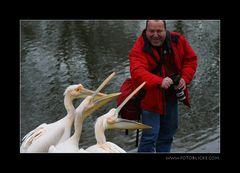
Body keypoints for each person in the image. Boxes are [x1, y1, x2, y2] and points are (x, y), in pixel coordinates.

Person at [129, 20, 198, 152]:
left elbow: (191, 60)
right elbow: (137, 72)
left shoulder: (178, 40)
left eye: (159, 31)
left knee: (167, 135)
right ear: (146, 30)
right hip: (150, 99)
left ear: (165, 30)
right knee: (150, 137)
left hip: (171, 97)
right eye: (151, 31)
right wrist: (159, 81)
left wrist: (184, 78)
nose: (155, 35)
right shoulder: (139, 47)